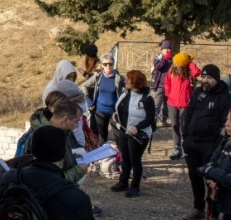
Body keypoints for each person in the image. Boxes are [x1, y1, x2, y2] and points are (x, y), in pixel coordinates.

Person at [180, 64, 231, 220]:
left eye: (209, 78)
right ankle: (198, 208)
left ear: (216, 79)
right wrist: (185, 135)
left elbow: (229, 122)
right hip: (192, 142)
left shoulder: (224, 97)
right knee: (194, 176)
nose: (205, 80)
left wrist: (220, 141)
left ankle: (213, 213)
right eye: (203, 77)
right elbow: (188, 112)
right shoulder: (198, 92)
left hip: (211, 144)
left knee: (211, 179)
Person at [110, 70, 155, 198]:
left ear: (135, 82)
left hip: (138, 135)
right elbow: (121, 109)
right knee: (125, 158)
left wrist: (137, 127)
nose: (126, 81)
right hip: (124, 131)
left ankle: (135, 186)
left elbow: (150, 118)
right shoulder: (125, 94)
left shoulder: (147, 99)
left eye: (128, 79)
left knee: (135, 160)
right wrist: (116, 116)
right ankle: (123, 182)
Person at [26, 95, 89, 185]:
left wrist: (72, 157)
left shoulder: (60, 132)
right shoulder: (48, 139)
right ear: (65, 120)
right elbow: (52, 180)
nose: (77, 126)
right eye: (76, 121)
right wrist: (79, 170)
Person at [42, 60, 90, 147]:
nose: (71, 80)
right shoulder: (51, 89)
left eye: (72, 77)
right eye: (68, 77)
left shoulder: (69, 89)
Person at [164, 52, 201, 160]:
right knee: (174, 126)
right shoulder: (172, 69)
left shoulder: (189, 70)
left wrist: (189, 63)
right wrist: (168, 92)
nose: (175, 64)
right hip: (172, 102)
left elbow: (197, 72)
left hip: (186, 103)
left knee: (184, 127)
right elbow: (166, 81)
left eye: (178, 63)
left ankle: (187, 148)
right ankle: (177, 148)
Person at [81, 53, 126, 144]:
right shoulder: (98, 77)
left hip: (114, 113)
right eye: (105, 64)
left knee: (119, 135)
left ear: (114, 64)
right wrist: (88, 101)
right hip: (100, 111)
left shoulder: (119, 78)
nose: (108, 66)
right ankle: (103, 155)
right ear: (102, 65)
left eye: (110, 63)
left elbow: (130, 88)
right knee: (102, 136)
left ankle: (121, 156)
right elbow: (84, 86)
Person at [151, 40, 173, 126]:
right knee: (157, 103)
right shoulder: (158, 57)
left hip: (170, 85)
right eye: (164, 48)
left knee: (167, 104)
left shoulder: (173, 59)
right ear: (162, 49)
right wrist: (165, 59)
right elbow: (158, 67)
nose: (166, 50)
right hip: (160, 84)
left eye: (168, 48)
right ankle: (153, 121)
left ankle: (164, 120)